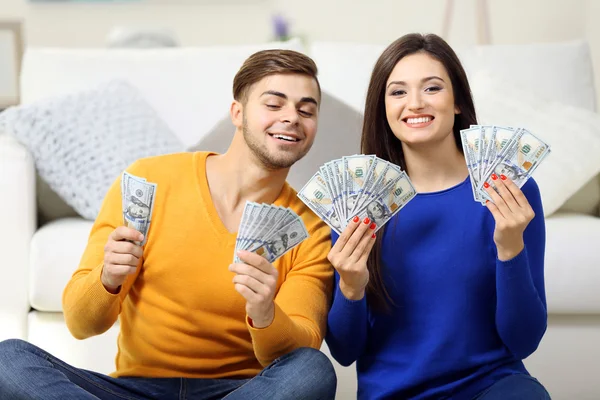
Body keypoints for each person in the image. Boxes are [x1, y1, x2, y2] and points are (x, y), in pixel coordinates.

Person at [0, 49, 337, 400]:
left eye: (306, 110)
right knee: (7, 360)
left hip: (239, 392)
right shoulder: (150, 181)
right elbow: (80, 323)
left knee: (312, 370)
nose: (292, 118)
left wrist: (265, 312)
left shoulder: (310, 229)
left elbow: (299, 349)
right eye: (274, 104)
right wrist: (108, 279)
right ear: (237, 113)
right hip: (133, 390)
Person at [325, 33, 550, 399]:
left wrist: (510, 250)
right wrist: (351, 286)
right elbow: (345, 352)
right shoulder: (357, 205)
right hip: (394, 393)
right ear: (383, 108)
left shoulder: (514, 193)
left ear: (458, 100)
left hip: (490, 386)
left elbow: (524, 341)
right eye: (397, 92)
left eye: (431, 88)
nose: (414, 103)